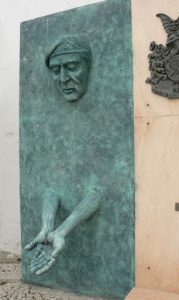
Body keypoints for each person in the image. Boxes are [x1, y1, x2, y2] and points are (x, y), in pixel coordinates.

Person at [25, 35, 103, 276]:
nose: (63, 79)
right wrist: (49, 227)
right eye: (56, 70)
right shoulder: (47, 125)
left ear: (88, 66)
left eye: (71, 67)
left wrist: (62, 230)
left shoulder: (103, 119)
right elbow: (52, 187)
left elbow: (98, 191)